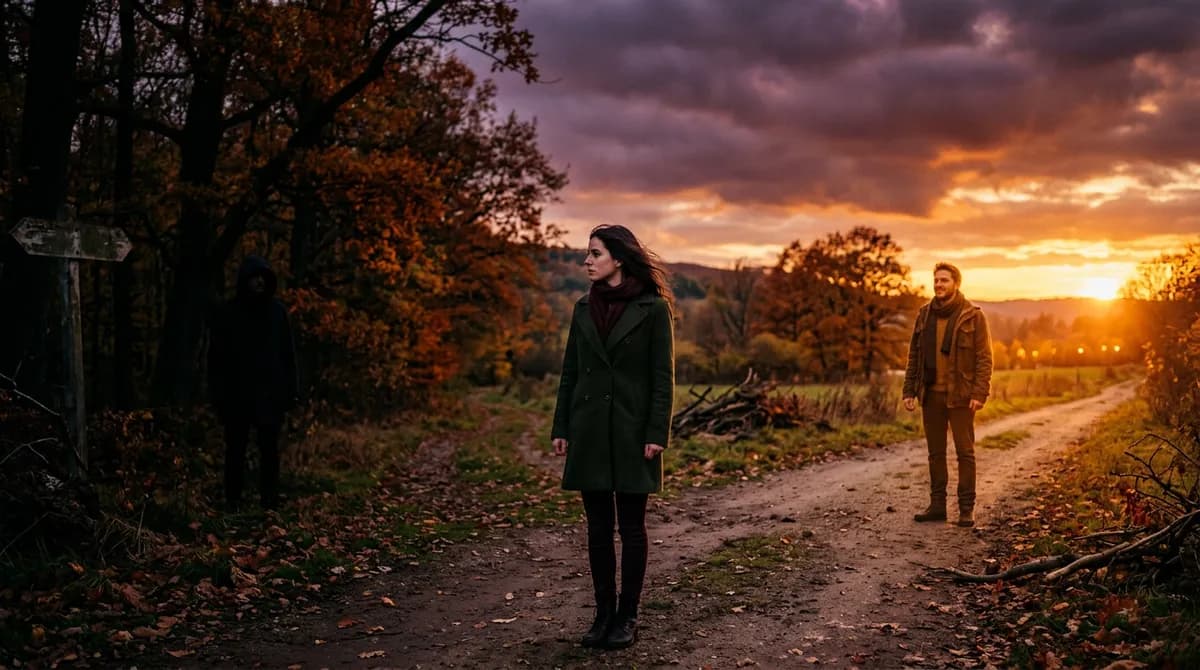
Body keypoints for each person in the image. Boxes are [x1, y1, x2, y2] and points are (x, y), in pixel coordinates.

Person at [551, 225, 675, 650]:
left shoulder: (653, 309)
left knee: (632, 527)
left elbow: (663, 377)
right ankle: (603, 614)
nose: (586, 261)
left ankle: (628, 616)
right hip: (588, 430)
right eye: (587, 254)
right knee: (598, 529)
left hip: (632, 432)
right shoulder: (582, 308)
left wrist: (657, 432)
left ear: (618, 259)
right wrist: (562, 426)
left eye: (594, 253)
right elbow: (570, 371)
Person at [902, 262, 993, 527]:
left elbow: (984, 358)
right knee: (935, 453)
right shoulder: (924, 314)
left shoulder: (973, 315)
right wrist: (909, 389)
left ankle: (966, 509)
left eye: (944, 280)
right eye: (936, 280)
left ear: (956, 283)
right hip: (931, 395)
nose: (939, 284)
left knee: (965, 453)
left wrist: (980, 392)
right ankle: (937, 506)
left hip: (962, 396)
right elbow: (914, 355)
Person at [208, 255, 298, 512]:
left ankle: (269, 501)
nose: (258, 282)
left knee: (269, 450)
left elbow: (287, 355)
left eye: (262, 278)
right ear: (244, 281)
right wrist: (218, 395)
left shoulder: (278, 312)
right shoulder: (229, 313)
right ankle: (233, 500)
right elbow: (216, 359)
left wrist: (291, 391)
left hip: (270, 395)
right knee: (235, 449)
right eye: (253, 277)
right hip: (236, 396)